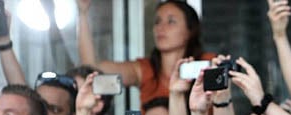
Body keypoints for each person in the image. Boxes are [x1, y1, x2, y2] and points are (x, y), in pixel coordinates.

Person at [77, 0, 214, 105]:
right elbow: (91, 69)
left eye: (171, 21)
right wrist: (83, 13)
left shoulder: (207, 64)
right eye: (157, 21)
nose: (161, 27)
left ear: (190, 30)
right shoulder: (145, 69)